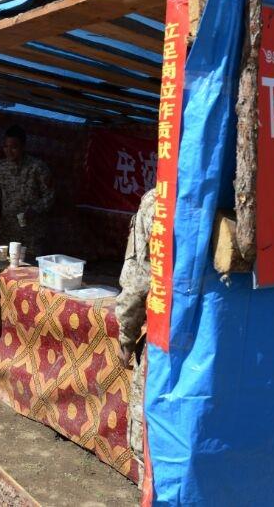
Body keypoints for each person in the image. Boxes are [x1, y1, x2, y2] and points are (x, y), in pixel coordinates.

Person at [114, 187, 156, 482]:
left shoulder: (158, 201)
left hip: (164, 338)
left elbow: (140, 280)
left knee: (146, 432)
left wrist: (126, 338)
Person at [0, 125, 54, 257]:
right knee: (6, 268)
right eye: (6, 147)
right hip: (7, 232)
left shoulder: (37, 168)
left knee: (31, 270)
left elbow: (50, 196)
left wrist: (35, 210)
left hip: (32, 233)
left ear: (23, 146)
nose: (9, 151)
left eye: (14, 147)